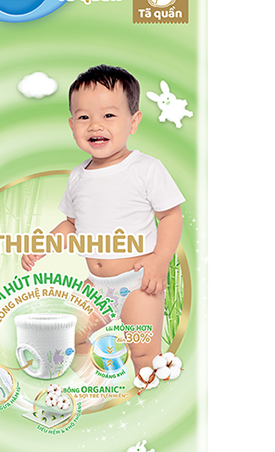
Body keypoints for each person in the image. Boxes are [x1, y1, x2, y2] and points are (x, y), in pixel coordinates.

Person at [21, 64, 184, 377]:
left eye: (109, 115)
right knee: (69, 338)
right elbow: (71, 224)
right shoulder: (78, 176)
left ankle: (146, 394)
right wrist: (43, 245)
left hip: (139, 283)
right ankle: (90, 388)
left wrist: (160, 259)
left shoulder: (145, 168)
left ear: (133, 121)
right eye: (84, 117)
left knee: (143, 351)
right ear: (72, 125)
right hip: (97, 285)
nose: (95, 125)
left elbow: (170, 215)